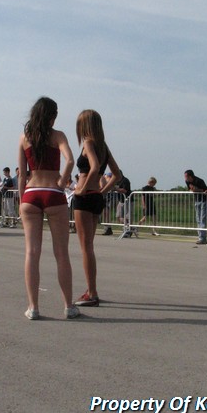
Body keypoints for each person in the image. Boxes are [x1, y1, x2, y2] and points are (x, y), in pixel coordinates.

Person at [18, 96, 80, 320]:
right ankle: (68, 306)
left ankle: (33, 307)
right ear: (52, 116)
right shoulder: (58, 136)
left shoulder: (24, 138)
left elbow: (22, 175)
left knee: (31, 252)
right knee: (61, 252)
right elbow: (70, 160)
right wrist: (62, 182)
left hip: (31, 193)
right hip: (53, 193)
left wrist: (21, 201)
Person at [73, 109, 121, 307]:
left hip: (85, 199)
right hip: (95, 197)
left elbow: (93, 167)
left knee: (86, 248)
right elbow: (117, 174)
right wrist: (101, 192)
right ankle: (91, 289)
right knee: (89, 247)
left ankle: (92, 293)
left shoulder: (88, 142)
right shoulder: (103, 146)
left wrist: (82, 189)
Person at [184, 170, 207, 244]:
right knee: (198, 219)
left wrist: (197, 190)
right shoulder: (187, 182)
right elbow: (189, 189)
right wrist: (191, 190)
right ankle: (200, 237)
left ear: (190, 176)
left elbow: (206, 190)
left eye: (186, 176)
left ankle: (203, 238)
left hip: (204, 200)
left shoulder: (199, 181)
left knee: (202, 219)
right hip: (197, 200)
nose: (185, 178)